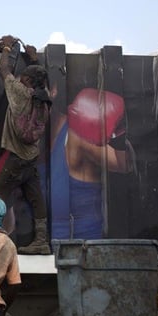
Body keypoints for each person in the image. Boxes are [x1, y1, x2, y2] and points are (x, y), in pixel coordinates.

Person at [48, 87, 135, 239]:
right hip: (38, 254)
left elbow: (127, 164)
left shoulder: (76, 137)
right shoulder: (20, 139)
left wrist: (119, 133)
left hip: (83, 250)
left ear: (53, 90)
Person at [0, 35, 52, 255]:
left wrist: (6, 48)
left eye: (24, 77)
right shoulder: (43, 100)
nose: (21, 78)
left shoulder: (20, 93)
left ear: (26, 81)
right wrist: (34, 60)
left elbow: (4, 72)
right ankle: (41, 241)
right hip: (31, 156)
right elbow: (41, 80)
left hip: (17, 156)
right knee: (36, 198)